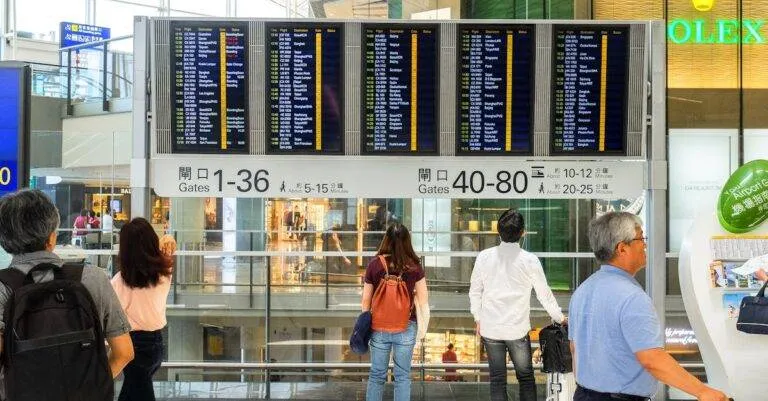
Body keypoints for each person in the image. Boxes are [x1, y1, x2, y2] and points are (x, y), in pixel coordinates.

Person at [569, 212, 727, 401]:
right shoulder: (632, 297)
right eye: (640, 238)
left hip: (583, 395)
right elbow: (652, 359)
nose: (644, 244)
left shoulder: (583, 290)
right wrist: (702, 391)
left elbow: (575, 348)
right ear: (622, 248)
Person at [0, 190, 134, 385]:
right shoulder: (93, 278)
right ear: (52, 237)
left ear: (6, 242)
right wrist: (92, 388)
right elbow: (124, 352)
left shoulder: (3, 287)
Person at [469, 209, 565, 401]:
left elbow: (475, 291)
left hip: (491, 328)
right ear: (523, 232)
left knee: (497, 380)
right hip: (517, 329)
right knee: (526, 378)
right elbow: (544, 295)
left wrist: (478, 318)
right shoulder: (529, 260)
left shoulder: (484, 257)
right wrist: (560, 318)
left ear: (498, 231)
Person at [362, 223, 429, 401]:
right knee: (402, 377)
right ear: (407, 241)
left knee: (376, 375)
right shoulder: (414, 266)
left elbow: (365, 301)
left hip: (379, 327)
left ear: (386, 239)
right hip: (406, 326)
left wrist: (366, 323)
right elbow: (423, 300)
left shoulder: (374, 265)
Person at [111, 218, 174, 401]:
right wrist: (167, 237)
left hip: (132, 346)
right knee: (135, 391)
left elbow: (113, 318)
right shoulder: (164, 274)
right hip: (157, 344)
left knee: (136, 391)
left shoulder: (119, 282)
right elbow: (168, 245)